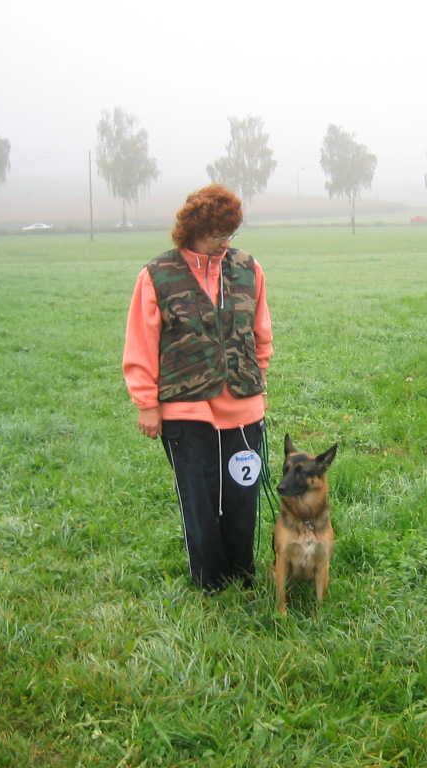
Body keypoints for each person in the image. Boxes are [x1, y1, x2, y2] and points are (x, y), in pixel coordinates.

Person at [122, 184, 273, 593]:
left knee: (242, 497)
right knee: (200, 499)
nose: (225, 243)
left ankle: (242, 575)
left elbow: (261, 332)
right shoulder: (157, 275)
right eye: (216, 235)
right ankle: (210, 582)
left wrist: (256, 379)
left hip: (243, 406)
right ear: (192, 230)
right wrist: (146, 403)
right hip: (184, 410)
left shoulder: (247, 268)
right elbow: (141, 343)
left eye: (230, 234)